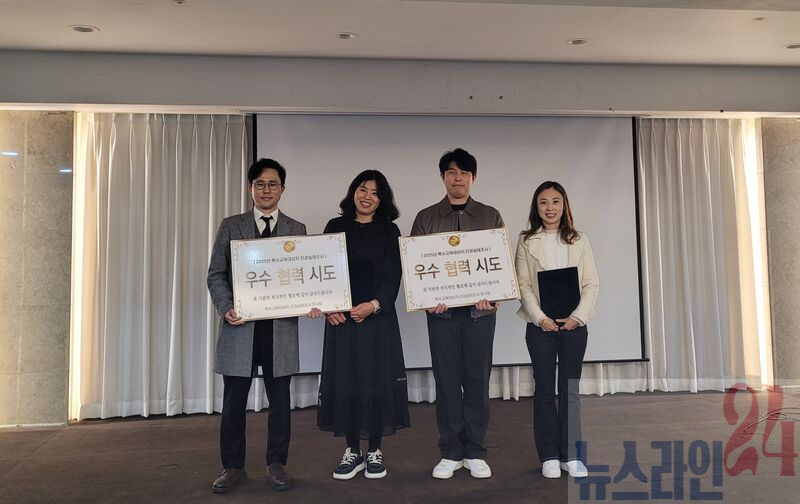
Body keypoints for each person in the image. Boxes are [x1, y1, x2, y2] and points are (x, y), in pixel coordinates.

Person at [207, 158, 310, 493]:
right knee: (233, 403)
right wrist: (226, 307)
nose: (267, 190)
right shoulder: (231, 226)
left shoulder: (296, 229)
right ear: (250, 188)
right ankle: (232, 467)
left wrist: (313, 300)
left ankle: (276, 463)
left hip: (279, 330)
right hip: (241, 327)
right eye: (260, 184)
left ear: (283, 189)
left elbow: (304, 277)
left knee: (280, 402)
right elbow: (216, 274)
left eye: (273, 184)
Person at [410, 148, 504, 480]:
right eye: (451, 172)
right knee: (447, 383)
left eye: (464, 172)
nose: (458, 178)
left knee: (477, 382)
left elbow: (499, 265)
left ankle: (475, 451)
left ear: (473, 178)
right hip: (443, 317)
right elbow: (416, 267)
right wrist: (426, 299)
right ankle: (450, 451)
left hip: (480, 316)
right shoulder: (426, 217)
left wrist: (494, 297)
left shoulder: (490, 216)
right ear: (443, 177)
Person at [314, 169, 410, 481]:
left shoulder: (390, 230)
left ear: (383, 199)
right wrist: (330, 308)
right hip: (341, 319)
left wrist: (374, 304)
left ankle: (375, 450)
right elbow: (322, 270)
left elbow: (393, 275)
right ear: (353, 191)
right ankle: (352, 450)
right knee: (346, 381)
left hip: (378, 318)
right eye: (362, 189)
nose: (367, 197)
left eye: (375, 192)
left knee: (377, 380)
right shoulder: (335, 227)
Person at [514, 181, 599, 479]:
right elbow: (523, 284)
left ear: (564, 206)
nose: (549, 208)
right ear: (536, 207)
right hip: (541, 326)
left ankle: (571, 455)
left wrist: (577, 317)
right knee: (544, 390)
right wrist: (540, 318)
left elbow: (591, 283)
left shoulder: (580, 239)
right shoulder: (526, 241)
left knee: (570, 390)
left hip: (574, 325)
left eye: (555, 202)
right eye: (543, 202)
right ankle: (549, 455)